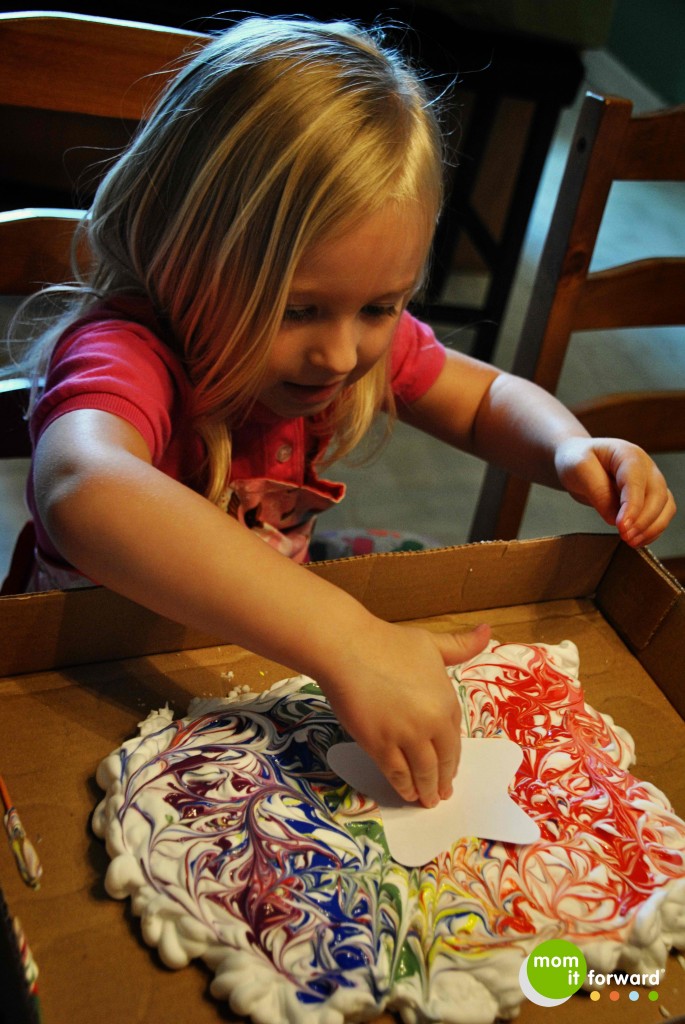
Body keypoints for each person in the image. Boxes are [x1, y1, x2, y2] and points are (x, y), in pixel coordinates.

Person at [8, 16, 675, 810]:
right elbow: (84, 488)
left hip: (250, 657)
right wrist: (346, 635)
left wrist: (567, 446)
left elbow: (485, 399)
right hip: (79, 678)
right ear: (178, 251)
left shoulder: (344, 330)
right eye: (297, 310)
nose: (339, 353)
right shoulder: (126, 352)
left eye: (381, 307)